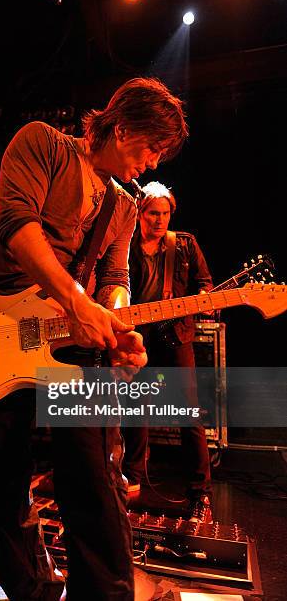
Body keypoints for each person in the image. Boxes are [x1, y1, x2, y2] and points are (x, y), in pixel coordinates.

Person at [0, 79, 188, 600]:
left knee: (93, 472)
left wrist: (118, 328)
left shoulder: (125, 207)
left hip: (70, 340)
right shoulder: (41, 142)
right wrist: (75, 300)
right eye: (152, 148)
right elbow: (17, 227)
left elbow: (115, 281)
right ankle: (35, 591)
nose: (153, 164)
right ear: (124, 127)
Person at [122, 181, 214, 524]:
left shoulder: (185, 245)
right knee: (136, 412)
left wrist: (206, 299)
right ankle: (133, 481)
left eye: (165, 214)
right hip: (137, 336)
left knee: (190, 416)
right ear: (140, 213)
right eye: (153, 214)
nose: (160, 220)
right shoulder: (124, 246)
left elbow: (205, 282)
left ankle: (200, 493)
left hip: (175, 335)